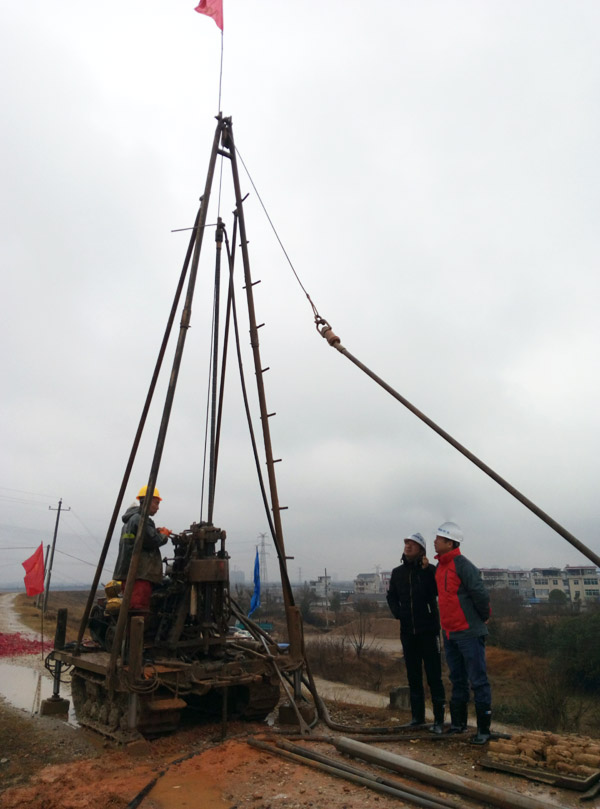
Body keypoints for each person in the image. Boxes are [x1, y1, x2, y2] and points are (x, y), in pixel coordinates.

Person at [434, 521, 492, 744]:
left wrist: (483, 616)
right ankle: (458, 724)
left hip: (469, 632)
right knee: (457, 679)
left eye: (439, 539)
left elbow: (480, 594)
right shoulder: (440, 567)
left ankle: (484, 730)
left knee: (478, 680)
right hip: (449, 633)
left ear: (450, 543)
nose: (435, 542)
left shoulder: (463, 566)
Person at [387, 532, 446, 733]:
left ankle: (439, 720)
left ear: (421, 549)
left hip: (428, 631)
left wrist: (425, 571)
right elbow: (391, 596)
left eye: (412, 544)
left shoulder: (430, 570)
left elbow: (436, 591)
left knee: (434, 676)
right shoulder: (397, 573)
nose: (408, 546)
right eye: (406, 543)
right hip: (407, 632)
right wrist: (398, 613)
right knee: (413, 676)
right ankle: (417, 717)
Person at [113, 485, 171, 612]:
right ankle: (135, 626)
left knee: (131, 608)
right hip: (140, 574)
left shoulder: (131, 520)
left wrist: (154, 531)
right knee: (138, 610)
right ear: (147, 501)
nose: (158, 507)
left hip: (129, 573)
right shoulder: (141, 519)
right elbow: (153, 540)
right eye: (156, 503)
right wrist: (164, 535)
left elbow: (142, 539)